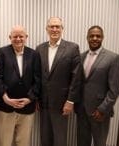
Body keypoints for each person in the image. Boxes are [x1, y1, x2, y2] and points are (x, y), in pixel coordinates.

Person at [36, 17, 82, 146]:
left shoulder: (72, 48)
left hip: (62, 104)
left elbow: (76, 76)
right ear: (47, 29)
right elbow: (37, 76)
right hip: (43, 103)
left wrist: (70, 101)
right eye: (52, 26)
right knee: (45, 138)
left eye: (57, 27)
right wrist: (36, 99)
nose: (54, 29)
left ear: (62, 29)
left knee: (59, 139)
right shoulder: (39, 49)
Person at [76, 25, 119, 146]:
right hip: (82, 110)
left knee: (99, 142)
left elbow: (115, 89)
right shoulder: (81, 57)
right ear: (87, 38)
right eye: (91, 36)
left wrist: (102, 109)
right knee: (82, 142)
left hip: (100, 111)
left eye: (98, 36)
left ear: (103, 38)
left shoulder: (113, 58)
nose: (95, 38)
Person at [0, 25, 41, 146]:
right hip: (6, 106)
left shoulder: (34, 54)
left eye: (21, 36)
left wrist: (30, 99)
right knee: (4, 142)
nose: (18, 39)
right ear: (10, 37)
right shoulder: (2, 52)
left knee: (23, 142)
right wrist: (5, 98)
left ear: (26, 37)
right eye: (15, 36)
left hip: (27, 107)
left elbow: (38, 80)